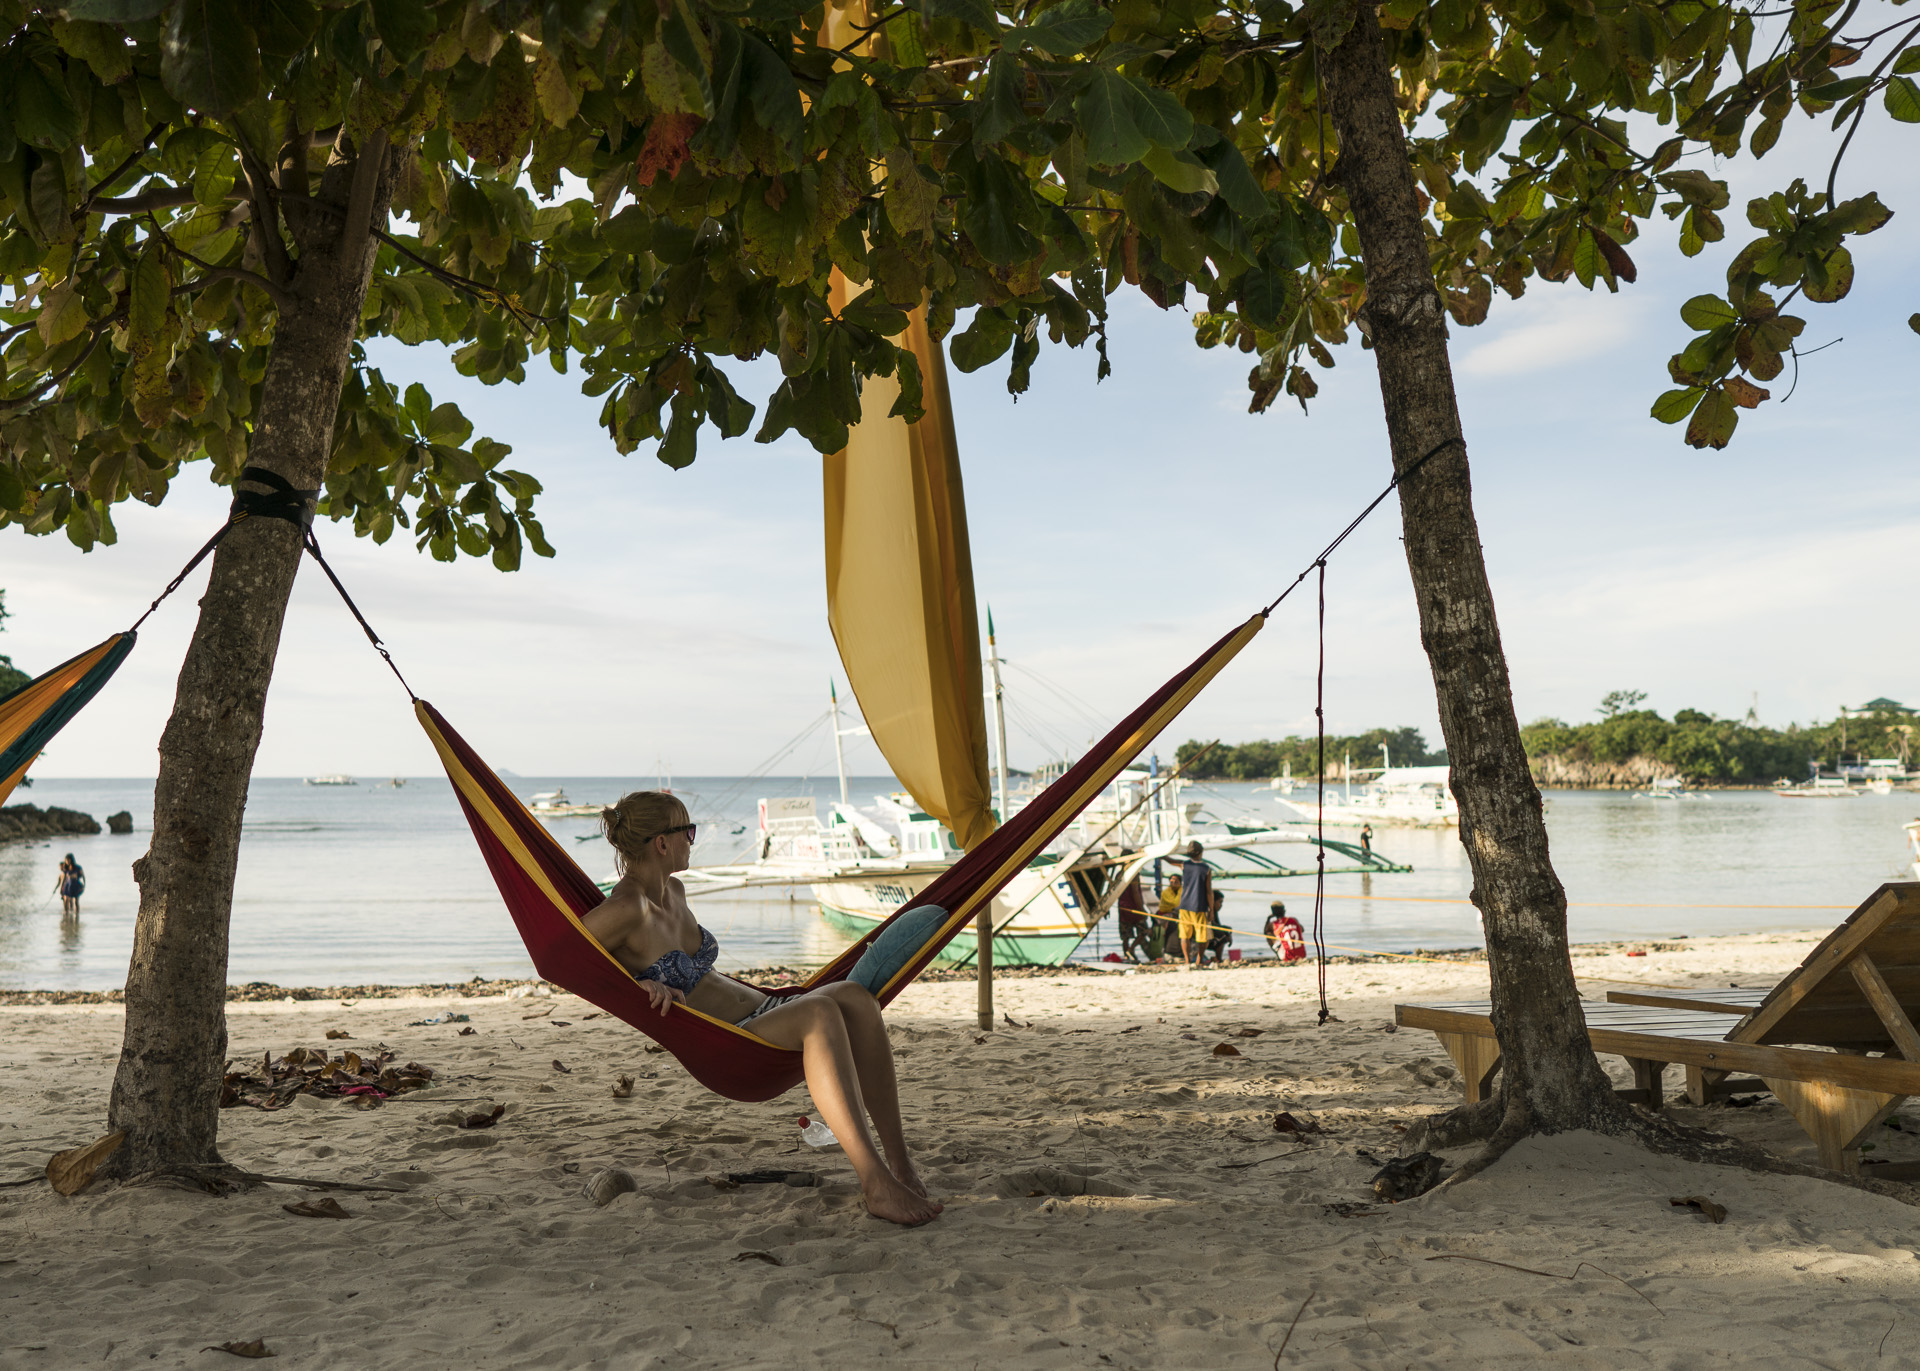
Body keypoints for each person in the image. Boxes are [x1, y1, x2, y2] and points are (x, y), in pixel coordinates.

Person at [582, 791, 940, 1226]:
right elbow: (572, 958)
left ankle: (901, 1166)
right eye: (688, 831)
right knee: (821, 1013)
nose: (692, 840)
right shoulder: (627, 908)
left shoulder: (674, 891)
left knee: (858, 999)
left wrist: (643, 975)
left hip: (767, 1008)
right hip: (730, 1042)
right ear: (662, 842)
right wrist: (639, 984)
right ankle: (876, 1183)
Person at [1176, 841, 1212, 967]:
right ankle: (1199, 960)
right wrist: (1211, 910)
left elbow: (1170, 860)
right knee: (1202, 936)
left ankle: (1187, 960)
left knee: (1184, 935)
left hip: (1185, 905)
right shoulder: (1206, 869)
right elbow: (1209, 891)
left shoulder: (1184, 865)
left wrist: (1162, 856)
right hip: (1199, 906)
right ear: (1200, 852)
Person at [1116, 876, 1153, 963]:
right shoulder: (1134, 875)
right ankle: (1131, 949)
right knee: (1144, 931)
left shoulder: (1119, 874)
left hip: (1123, 907)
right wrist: (1142, 909)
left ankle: (1126, 956)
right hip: (1134, 908)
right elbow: (1135, 892)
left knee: (1125, 936)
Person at [1153, 873, 1182, 961]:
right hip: (1165, 915)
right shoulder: (1166, 892)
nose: (1173, 883)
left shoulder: (1182, 891)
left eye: (1176, 881)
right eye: (1171, 881)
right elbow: (1175, 903)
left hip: (1177, 914)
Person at [1203, 888, 1232, 965]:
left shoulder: (1214, 912)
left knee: (1223, 934)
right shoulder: (1209, 911)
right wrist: (1227, 931)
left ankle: (1218, 959)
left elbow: (1217, 925)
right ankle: (1218, 959)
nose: (1221, 905)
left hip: (1209, 938)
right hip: (1204, 938)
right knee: (1222, 936)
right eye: (1220, 902)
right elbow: (1213, 926)